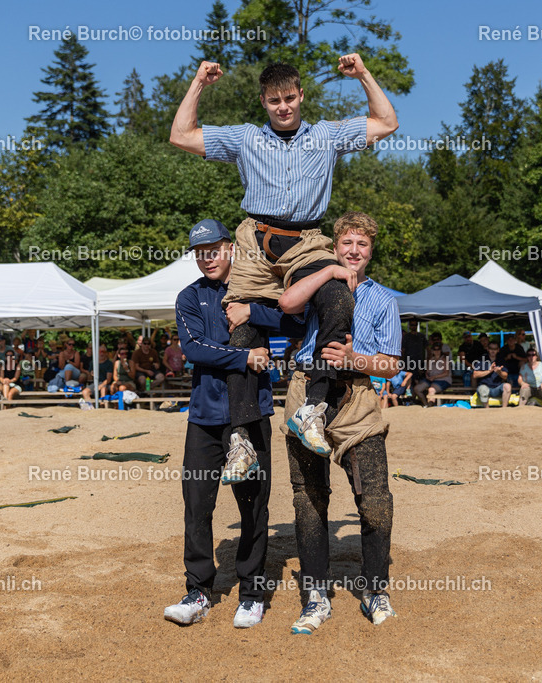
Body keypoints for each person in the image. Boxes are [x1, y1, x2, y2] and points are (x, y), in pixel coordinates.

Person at [170, 55, 398, 463]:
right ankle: (240, 438)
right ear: (263, 102)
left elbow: (386, 123)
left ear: (301, 96)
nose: (283, 107)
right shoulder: (245, 138)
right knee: (239, 321)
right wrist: (199, 83)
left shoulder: (327, 135)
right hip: (257, 239)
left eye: (290, 98)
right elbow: (182, 135)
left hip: (307, 238)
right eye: (274, 101)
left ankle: (314, 405)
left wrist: (363, 74)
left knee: (338, 296)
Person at [267, 211, 401, 633]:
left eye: (362, 245)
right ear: (336, 246)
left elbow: (392, 365)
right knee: (309, 501)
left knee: (376, 501)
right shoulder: (317, 288)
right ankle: (315, 596)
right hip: (306, 389)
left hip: (358, 397)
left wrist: (354, 358)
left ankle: (375, 590)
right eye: (347, 244)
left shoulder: (383, 300)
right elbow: (286, 303)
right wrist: (327, 269)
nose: (355, 251)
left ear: (371, 251)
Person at [164, 220, 299, 629]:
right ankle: (199, 591)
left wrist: (254, 312)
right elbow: (192, 349)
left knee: (253, 506)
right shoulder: (190, 297)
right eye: (199, 252)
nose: (206, 258)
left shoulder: (257, 287)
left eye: (213, 249)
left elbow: (294, 322)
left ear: (230, 248)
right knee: (197, 505)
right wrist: (244, 357)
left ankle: (252, 594)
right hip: (204, 418)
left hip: (251, 413)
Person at [473, 341, 512, 408]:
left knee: (508, 386)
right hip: (485, 386)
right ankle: (487, 410)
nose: (493, 351)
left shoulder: (501, 360)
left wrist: (499, 372)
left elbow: (505, 376)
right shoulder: (482, 359)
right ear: (488, 349)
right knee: (483, 389)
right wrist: (489, 371)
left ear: (498, 350)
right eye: (491, 349)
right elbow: (475, 374)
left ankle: (504, 409)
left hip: (497, 388)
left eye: (495, 349)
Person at [402, 320, 428, 387]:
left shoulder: (421, 336)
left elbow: (428, 349)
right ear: (409, 326)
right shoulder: (406, 337)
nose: (414, 326)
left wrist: (427, 361)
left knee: (419, 380)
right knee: (409, 379)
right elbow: (403, 350)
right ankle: (410, 395)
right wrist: (402, 362)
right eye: (412, 325)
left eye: (415, 325)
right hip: (408, 361)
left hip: (420, 362)